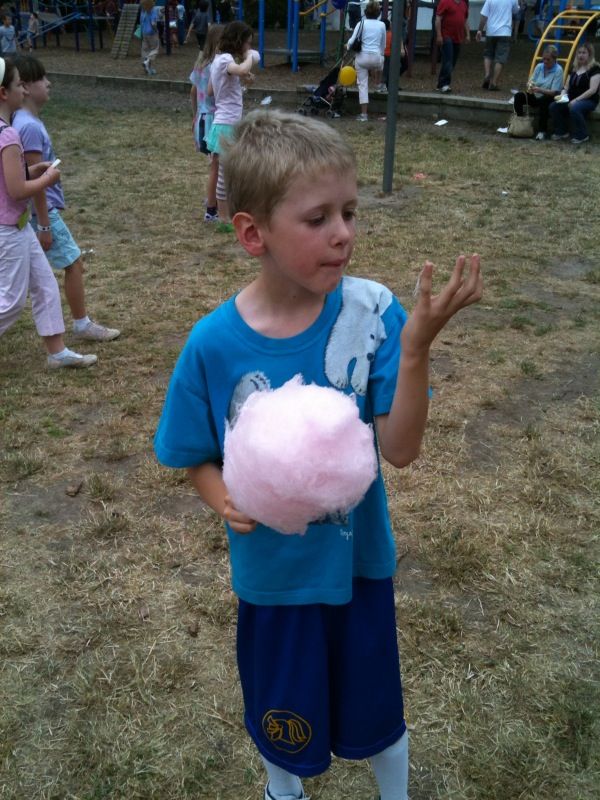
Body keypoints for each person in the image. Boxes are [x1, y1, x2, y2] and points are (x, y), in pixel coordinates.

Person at [154, 108, 483, 800]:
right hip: (273, 582)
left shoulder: (374, 315)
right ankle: (284, 792)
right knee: (284, 717)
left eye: (350, 212)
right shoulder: (213, 345)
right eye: (318, 219)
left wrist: (416, 348)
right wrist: (225, 499)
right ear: (252, 234)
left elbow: (400, 452)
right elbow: (192, 455)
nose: (344, 234)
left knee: (377, 714)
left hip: (359, 568)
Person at [12, 54, 120, 343]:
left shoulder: (26, 122)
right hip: (41, 213)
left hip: (37, 213)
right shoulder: (29, 127)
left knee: (31, 276)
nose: (49, 83)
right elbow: (34, 182)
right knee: (72, 262)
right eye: (42, 79)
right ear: (24, 87)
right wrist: (45, 224)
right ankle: (82, 323)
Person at [0, 57, 97, 369]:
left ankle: (56, 352)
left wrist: (31, 169)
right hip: (9, 228)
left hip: (18, 227)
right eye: (18, 85)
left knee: (44, 284)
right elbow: (16, 190)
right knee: (12, 302)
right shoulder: (8, 136)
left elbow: (10, 176)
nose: (23, 89)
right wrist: (45, 179)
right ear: (4, 93)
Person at [206, 20, 258, 224]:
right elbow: (242, 69)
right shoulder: (225, 58)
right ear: (239, 41)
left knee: (225, 171)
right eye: (248, 43)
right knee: (224, 174)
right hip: (227, 124)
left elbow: (211, 91)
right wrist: (250, 58)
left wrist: (236, 83)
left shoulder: (219, 60)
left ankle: (226, 212)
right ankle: (224, 217)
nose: (248, 47)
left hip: (224, 122)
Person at [189, 23, 223, 221]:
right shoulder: (216, 67)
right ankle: (212, 208)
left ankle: (213, 199)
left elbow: (193, 91)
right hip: (214, 119)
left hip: (202, 119)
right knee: (217, 166)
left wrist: (194, 115)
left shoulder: (201, 64)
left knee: (215, 164)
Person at [549, 42, 600, 145]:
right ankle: (561, 131)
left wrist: (576, 100)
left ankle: (582, 135)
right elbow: (566, 86)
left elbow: (592, 90)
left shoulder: (595, 69)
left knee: (575, 108)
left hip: (588, 100)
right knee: (554, 106)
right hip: (571, 98)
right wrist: (563, 95)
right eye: (579, 53)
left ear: (590, 55)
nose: (581, 55)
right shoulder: (574, 68)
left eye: (584, 53)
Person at [513, 45, 562, 141]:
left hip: (548, 96)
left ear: (554, 59)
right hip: (535, 94)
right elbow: (531, 80)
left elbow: (555, 92)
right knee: (518, 96)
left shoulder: (558, 70)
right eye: (544, 59)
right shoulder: (539, 66)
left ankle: (542, 131)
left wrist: (540, 90)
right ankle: (520, 123)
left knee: (545, 101)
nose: (545, 62)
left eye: (548, 60)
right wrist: (530, 85)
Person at [347, 0, 386, 122]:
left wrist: (347, 46)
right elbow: (383, 46)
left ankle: (364, 115)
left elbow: (352, 41)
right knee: (381, 61)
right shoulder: (382, 25)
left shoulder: (361, 23)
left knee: (363, 85)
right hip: (376, 58)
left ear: (365, 12)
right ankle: (379, 83)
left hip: (362, 58)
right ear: (378, 13)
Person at [475, 0, 520, 90]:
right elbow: (516, 10)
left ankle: (487, 74)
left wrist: (479, 30)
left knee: (488, 54)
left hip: (490, 31)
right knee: (500, 58)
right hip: (505, 32)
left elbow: (484, 16)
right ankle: (494, 82)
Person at [435, 0, 470, 93]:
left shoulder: (463, 4)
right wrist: (439, 35)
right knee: (448, 60)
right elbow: (438, 18)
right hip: (446, 36)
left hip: (458, 37)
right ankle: (445, 84)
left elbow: (465, 20)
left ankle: (440, 83)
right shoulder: (445, 2)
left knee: (452, 61)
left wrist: (468, 34)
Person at [140, 0, 160, 76]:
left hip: (144, 32)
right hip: (152, 33)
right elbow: (153, 23)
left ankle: (149, 68)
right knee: (155, 49)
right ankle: (147, 62)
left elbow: (141, 22)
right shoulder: (153, 10)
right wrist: (156, 30)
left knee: (146, 50)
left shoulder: (142, 10)